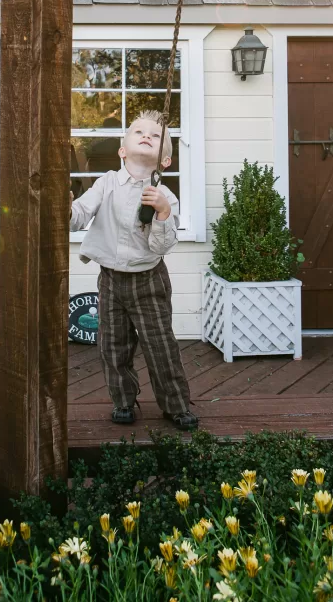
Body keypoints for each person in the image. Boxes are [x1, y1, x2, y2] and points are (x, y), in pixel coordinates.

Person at [70, 110, 198, 431]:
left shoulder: (165, 196)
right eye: (138, 131)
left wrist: (163, 212)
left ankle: (176, 405)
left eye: (155, 136)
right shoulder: (106, 183)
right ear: (122, 150)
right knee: (113, 345)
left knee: (160, 346)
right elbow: (79, 215)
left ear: (164, 161)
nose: (146, 135)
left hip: (149, 280)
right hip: (111, 280)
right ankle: (123, 401)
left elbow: (161, 246)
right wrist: (65, 208)